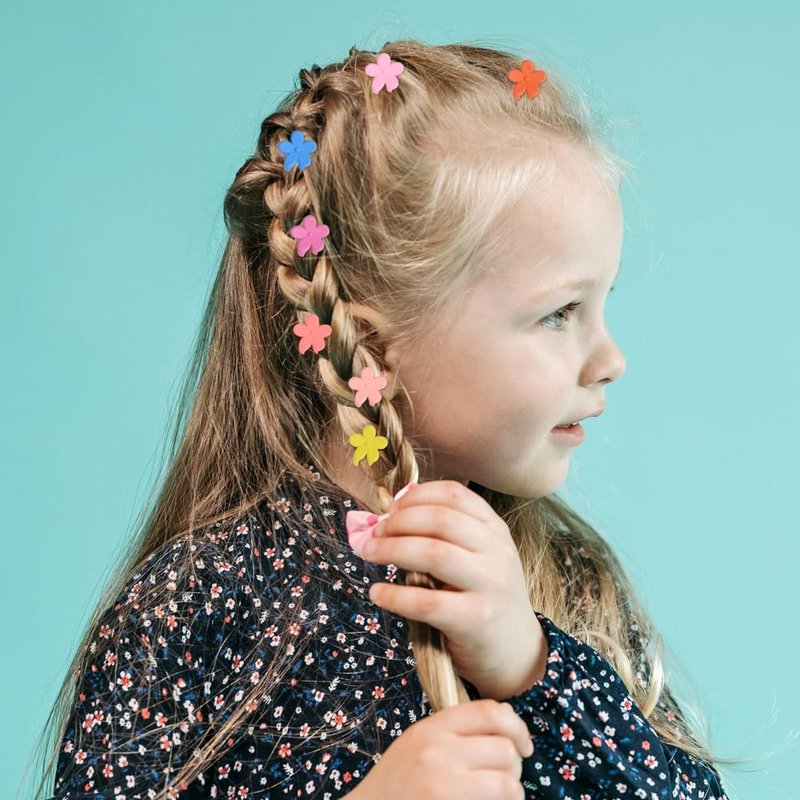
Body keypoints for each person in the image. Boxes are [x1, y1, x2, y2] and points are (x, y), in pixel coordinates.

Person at [31, 39, 737, 800]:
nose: (611, 359)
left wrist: (532, 668)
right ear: (374, 344)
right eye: (559, 313)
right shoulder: (198, 602)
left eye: (602, 304)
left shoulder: (569, 585)